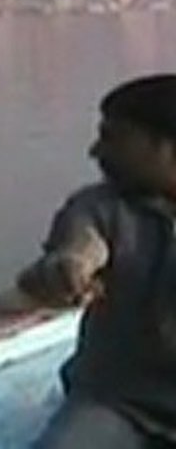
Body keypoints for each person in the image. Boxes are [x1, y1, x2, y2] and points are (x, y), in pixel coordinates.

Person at [20, 75, 176, 448]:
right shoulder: (97, 208)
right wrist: (64, 272)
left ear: (167, 147)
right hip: (118, 402)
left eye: (113, 138)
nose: (95, 151)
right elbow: (79, 248)